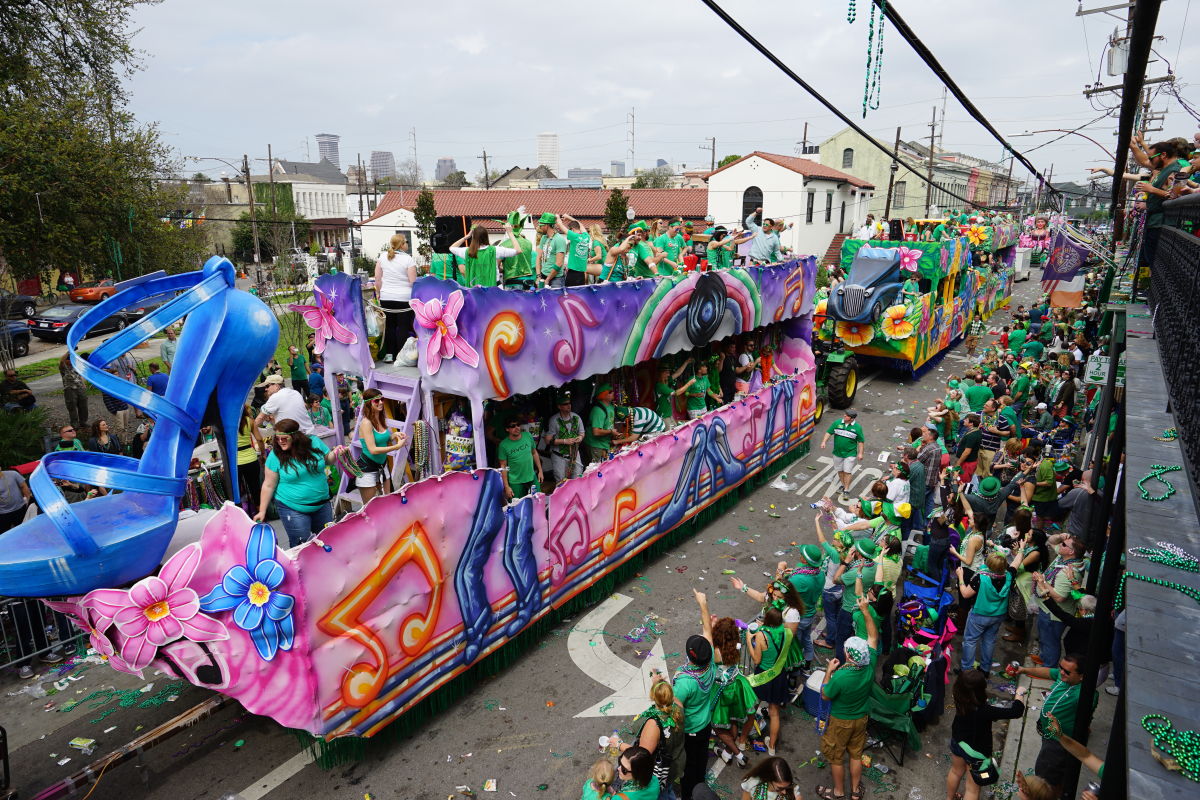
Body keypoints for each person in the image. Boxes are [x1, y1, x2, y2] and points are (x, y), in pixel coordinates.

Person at [816, 595, 878, 800]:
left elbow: (825, 695)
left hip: (840, 721)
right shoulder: (870, 664)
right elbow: (873, 636)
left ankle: (838, 791)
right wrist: (866, 612)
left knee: (836, 757)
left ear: (849, 656)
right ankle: (855, 791)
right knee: (855, 754)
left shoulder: (841, 676)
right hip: (861, 719)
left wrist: (828, 671)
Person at [254, 418, 343, 547]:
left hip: (322, 504)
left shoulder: (314, 442)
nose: (280, 442)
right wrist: (262, 511)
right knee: (302, 547)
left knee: (327, 541)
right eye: (277, 438)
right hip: (293, 508)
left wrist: (336, 453)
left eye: (284, 438)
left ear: (295, 436)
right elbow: (268, 485)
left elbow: (328, 460)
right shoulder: (276, 456)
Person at [1015, 654, 1097, 795]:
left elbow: (1086, 716)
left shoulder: (1084, 694)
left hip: (1059, 742)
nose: (1061, 672)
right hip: (1049, 735)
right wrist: (1024, 670)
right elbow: (1048, 672)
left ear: (1082, 676)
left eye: (1067, 671)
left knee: (1046, 777)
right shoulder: (1064, 677)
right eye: (1061, 668)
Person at [944, 670, 1028, 800]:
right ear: (981, 690)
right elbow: (1016, 711)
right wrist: (1019, 693)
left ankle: (950, 798)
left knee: (955, 771)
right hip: (978, 752)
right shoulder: (986, 711)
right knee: (972, 789)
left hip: (958, 742)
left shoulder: (959, 698)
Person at [674, 590, 720, 800]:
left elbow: (675, 712)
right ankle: (698, 781)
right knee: (700, 758)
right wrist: (703, 603)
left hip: (691, 729)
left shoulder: (685, 682)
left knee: (689, 765)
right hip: (705, 723)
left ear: (689, 657)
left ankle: (690, 793)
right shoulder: (709, 663)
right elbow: (707, 631)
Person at [957, 550, 1019, 673]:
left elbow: (965, 594)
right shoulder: (1009, 575)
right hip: (998, 615)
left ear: (989, 565)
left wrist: (960, 576)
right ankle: (985, 669)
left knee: (970, 641)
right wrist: (1021, 549)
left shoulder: (981, 578)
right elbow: (1016, 562)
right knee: (989, 641)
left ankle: (966, 670)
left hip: (980, 615)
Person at [620, 677, 684, 798]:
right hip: (678, 760)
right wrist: (661, 686)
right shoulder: (678, 707)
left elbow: (641, 757)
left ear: (653, 697)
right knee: (669, 790)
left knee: (662, 794)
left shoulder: (653, 725)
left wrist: (618, 744)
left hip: (663, 771)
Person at [710, 617, 757, 766]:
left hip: (721, 691)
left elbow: (707, 640)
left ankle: (738, 754)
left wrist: (711, 626)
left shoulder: (715, 651)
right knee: (732, 720)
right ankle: (727, 753)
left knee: (717, 726)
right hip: (736, 687)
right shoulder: (735, 646)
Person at [356, 388, 407, 505]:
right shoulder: (366, 423)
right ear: (369, 403)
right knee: (370, 509)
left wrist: (394, 435)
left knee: (387, 502)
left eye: (382, 399)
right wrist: (396, 447)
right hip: (367, 469)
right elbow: (373, 449)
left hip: (382, 466)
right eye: (376, 401)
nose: (381, 403)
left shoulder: (380, 418)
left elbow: (382, 440)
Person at [374, 233, 418, 362]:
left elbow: (377, 278)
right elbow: (412, 281)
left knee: (390, 326)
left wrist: (379, 292)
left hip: (386, 297)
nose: (407, 245)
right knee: (403, 327)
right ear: (402, 244)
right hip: (404, 298)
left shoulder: (382, 257)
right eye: (406, 242)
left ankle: (389, 354)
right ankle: (401, 355)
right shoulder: (408, 259)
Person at [450, 222, 522, 289]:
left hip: (475, 290)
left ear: (473, 238)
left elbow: (451, 248)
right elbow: (518, 250)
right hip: (494, 289)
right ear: (486, 236)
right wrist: (510, 233)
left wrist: (467, 236)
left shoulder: (468, 252)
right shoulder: (495, 250)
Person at [820, 410, 865, 503]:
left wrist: (860, 453)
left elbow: (860, 441)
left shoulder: (857, 428)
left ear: (852, 419)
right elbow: (829, 432)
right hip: (837, 453)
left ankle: (846, 490)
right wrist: (824, 441)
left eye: (847, 416)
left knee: (847, 471)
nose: (844, 416)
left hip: (850, 453)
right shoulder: (837, 423)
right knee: (840, 471)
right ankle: (843, 485)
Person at [544, 392, 585, 483]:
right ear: (559, 406)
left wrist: (580, 438)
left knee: (578, 478)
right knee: (561, 482)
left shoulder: (576, 417)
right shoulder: (554, 420)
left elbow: (582, 433)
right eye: (565, 404)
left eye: (569, 403)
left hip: (574, 454)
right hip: (559, 456)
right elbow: (547, 440)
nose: (568, 406)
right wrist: (564, 441)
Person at [497, 417, 542, 500]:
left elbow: (534, 453)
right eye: (513, 426)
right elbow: (503, 467)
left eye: (518, 425)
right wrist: (506, 487)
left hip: (531, 477)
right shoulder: (503, 445)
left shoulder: (527, 435)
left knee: (538, 503)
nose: (516, 428)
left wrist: (540, 471)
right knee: (516, 508)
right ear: (507, 429)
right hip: (515, 482)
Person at [236, 405, 265, 514]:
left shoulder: (228, 424)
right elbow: (259, 439)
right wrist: (262, 454)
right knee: (255, 488)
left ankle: (240, 516)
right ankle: (261, 515)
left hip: (235, 463)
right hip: (251, 459)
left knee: (237, 491)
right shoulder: (250, 421)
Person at [536, 213, 568, 288]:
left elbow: (559, 263)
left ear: (547, 225)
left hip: (556, 279)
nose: (540, 227)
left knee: (555, 299)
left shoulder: (559, 239)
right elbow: (538, 258)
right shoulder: (544, 238)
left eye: (541, 225)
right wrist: (538, 276)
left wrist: (548, 279)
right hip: (543, 275)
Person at [59, 351, 89, 428]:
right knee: (72, 407)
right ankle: (75, 423)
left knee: (83, 406)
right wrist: (68, 351)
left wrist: (83, 384)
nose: (70, 361)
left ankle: (83, 422)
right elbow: (62, 360)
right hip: (70, 389)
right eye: (68, 360)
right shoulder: (63, 367)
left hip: (80, 388)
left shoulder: (76, 366)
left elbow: (79, 376)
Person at [0, 467, 32, 533]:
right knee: (5, 534)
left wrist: (29, 503)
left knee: (26, 530)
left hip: (20, 509)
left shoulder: (13, 474)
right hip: (2, 513)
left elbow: (24, 486)